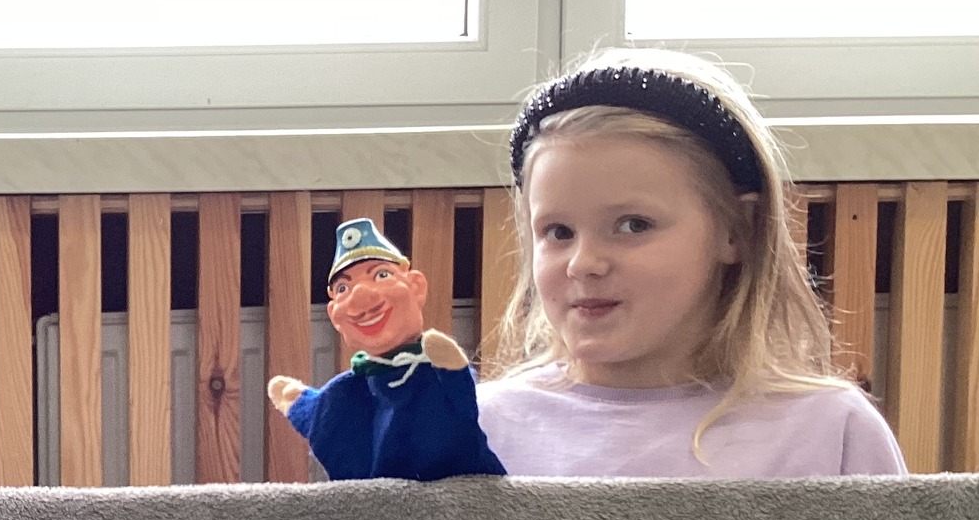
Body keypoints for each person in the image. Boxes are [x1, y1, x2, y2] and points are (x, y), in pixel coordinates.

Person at [480, 47, 905, 476]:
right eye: (558, 232)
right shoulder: (481, 430)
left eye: (633, 225)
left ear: (736, 230)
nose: (583, 263)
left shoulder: (831, 431)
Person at [266, 217, 504, 480]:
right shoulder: (349, 388)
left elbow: (460, 404)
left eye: (381, 275)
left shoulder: (430, 373)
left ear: (416, 286)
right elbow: (328, 417)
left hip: (454, 489)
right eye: (343, 288)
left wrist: (452, 369)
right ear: (334, 315)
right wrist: (300, 403)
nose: (359, 296)